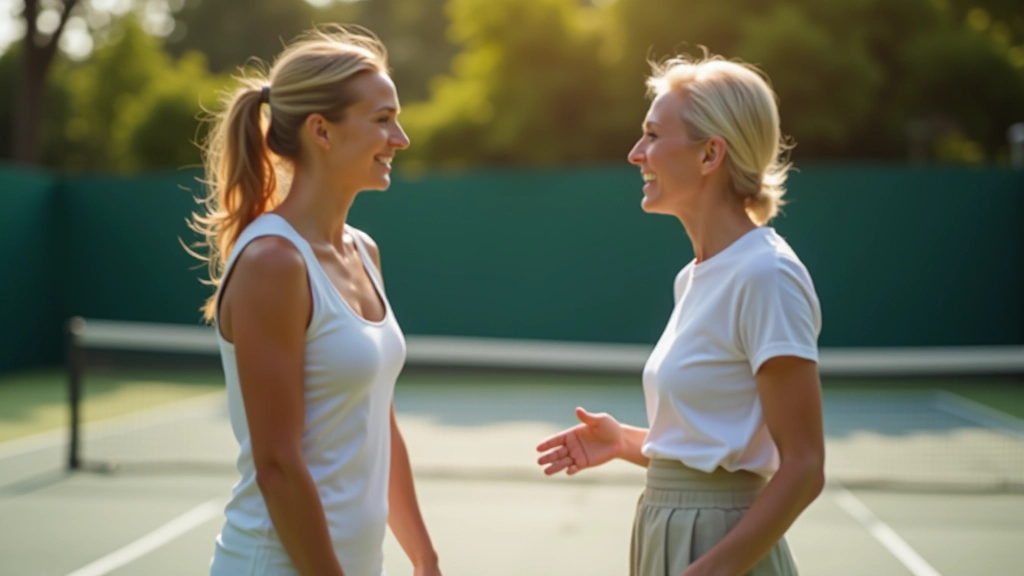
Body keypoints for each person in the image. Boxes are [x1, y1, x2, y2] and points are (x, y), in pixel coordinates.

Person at [536, 53, 825, 576]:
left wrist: (710, 570)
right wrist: (624, 441)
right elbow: (712, 445)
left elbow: (805, 467)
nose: (634, 153)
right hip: (661, 529)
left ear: (710, 153)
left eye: (651, 135)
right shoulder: (693, 277)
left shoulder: (767, 275)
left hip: (721, 549)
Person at [191, 26, 441, 576]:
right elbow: (277, 465)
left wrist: (424, 557)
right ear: (322, 131)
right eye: (382, 120)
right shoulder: (273, 264)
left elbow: (379, 423)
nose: (399, 138)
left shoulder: (364, 252)